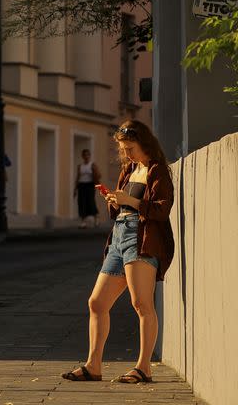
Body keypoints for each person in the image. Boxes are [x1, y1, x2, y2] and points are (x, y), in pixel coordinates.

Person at [62, 120, 175, 384]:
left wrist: (130, 201)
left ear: (144, 144)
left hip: (142, 237)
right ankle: (93, 366)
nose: (126, 154)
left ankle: (143, 367)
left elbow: (161, 209)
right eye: (123, 148)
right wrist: (114, 201)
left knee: (141, 304)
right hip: (119, 237)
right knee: (97, 303)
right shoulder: (130, 169)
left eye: (130, 148)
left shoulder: (158, 171)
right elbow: (122, 209)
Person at [74, 148, 102, 228]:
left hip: (90, 185)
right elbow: (78, 177)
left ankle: (96, 219)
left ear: (89, 156)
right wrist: (75, 189)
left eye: (88, 155)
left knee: (91, 202)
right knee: (81, 203)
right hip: (81, 185)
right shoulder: (80, 166)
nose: (86, 156)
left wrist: (97, 183)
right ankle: (83, 222)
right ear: (82, 156)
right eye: (84, 155)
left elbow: (99, 175)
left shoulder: (92, 165)